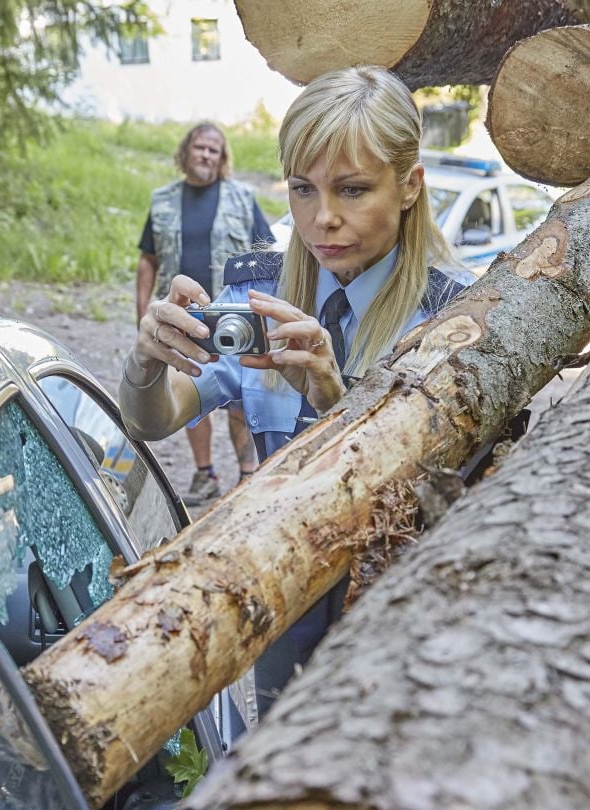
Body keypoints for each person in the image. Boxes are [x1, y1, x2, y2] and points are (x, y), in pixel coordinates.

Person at [121, 66, 473, 713]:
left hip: (405, 631)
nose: (322, 219)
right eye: (303, 189)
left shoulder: (459, 315)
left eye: (352, 189)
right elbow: (155, 419)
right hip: (284, 618)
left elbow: (452, 498)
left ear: (407, 187)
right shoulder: (259, 290)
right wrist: (145, 360)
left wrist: (334, 404)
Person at [136, 121, 275, 506]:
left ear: (223, 157)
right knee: (189, 387)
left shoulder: (242, 198)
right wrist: (143, 310)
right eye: (200, 147)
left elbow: (267, 256)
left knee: (239, 397)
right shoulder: (163, 200)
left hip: (232, 316)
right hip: (183, 320)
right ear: (186, 152)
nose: (207, 155)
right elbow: (147, 259)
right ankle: (205, 474)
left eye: (215, 150)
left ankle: (249, 475)